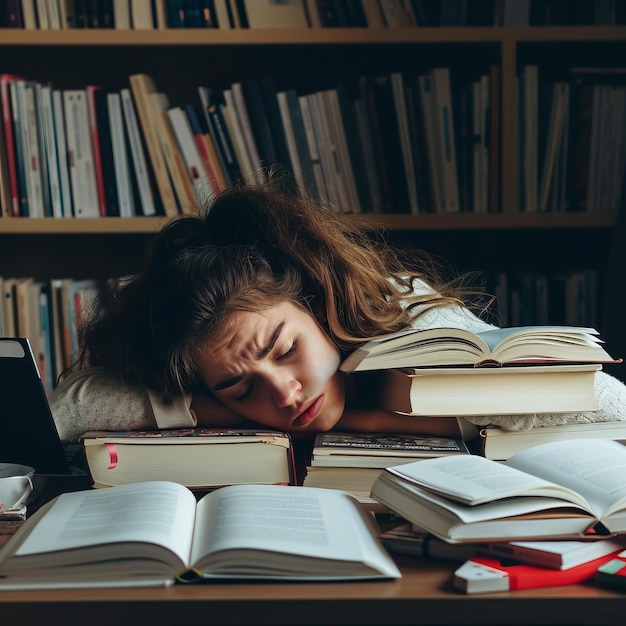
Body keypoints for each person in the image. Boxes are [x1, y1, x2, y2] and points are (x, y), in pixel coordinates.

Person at [50, 183, 626, 443]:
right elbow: (62, 414)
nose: (282, 396)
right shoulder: (223, 385)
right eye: (236, 384)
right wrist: (206, 405)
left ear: (318, 305)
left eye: (283, 349)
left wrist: (384, 417)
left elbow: (609, 406)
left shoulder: (408, 315)